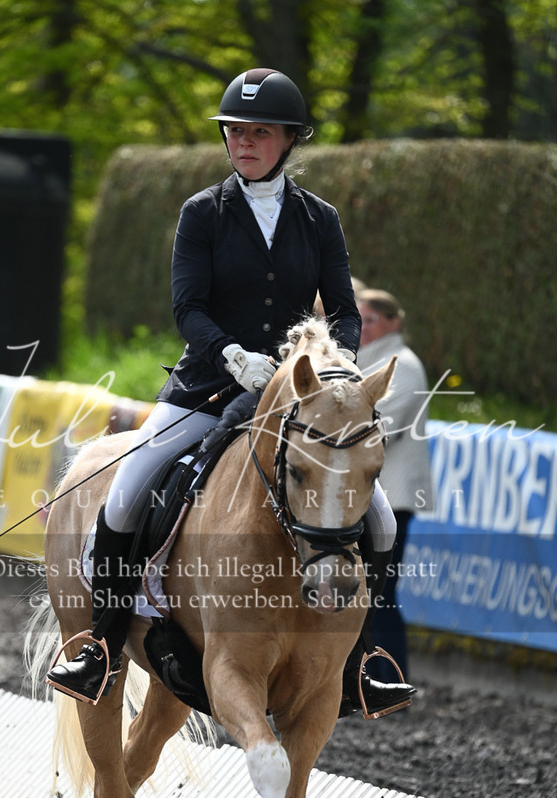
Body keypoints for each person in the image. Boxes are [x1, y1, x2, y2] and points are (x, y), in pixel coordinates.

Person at [48, 68, 414, 718]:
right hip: (208, 388)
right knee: (126, 496)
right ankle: (100, 643)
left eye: (259, 132)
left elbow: (343, 309)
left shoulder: (318, 218)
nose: (243, 142)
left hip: (299, 398)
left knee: (379, 520)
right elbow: (187, 306)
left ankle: (362, 661)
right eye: (235, 131)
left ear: (289, 139)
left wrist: (337, 371)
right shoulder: (202, 213)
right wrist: (231, 355)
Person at [355, 288, 433, 685]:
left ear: (394, 322)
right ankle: (368, 679)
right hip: (369, 494)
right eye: (359, 319)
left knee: (380, 595)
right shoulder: (367, 361)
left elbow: (382, 427)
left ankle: (394, 682)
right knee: (364, 594)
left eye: (371, 319)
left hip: (393, 498)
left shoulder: (403, 365)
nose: (363, 327)